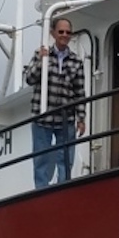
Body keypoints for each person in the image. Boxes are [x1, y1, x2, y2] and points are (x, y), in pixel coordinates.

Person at [23, 16, 87, 188]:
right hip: (42, 117)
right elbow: (29, 78)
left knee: (65, 159)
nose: (64, 35)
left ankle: (63, 192)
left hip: (66, 118)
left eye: (68, 32)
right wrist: (40, 63)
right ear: (52, 33)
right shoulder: (40, 54)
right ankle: (41, 193)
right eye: (61, 31)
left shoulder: (76, 61)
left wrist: (81, 118)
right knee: (41, 158)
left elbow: (79, 92)